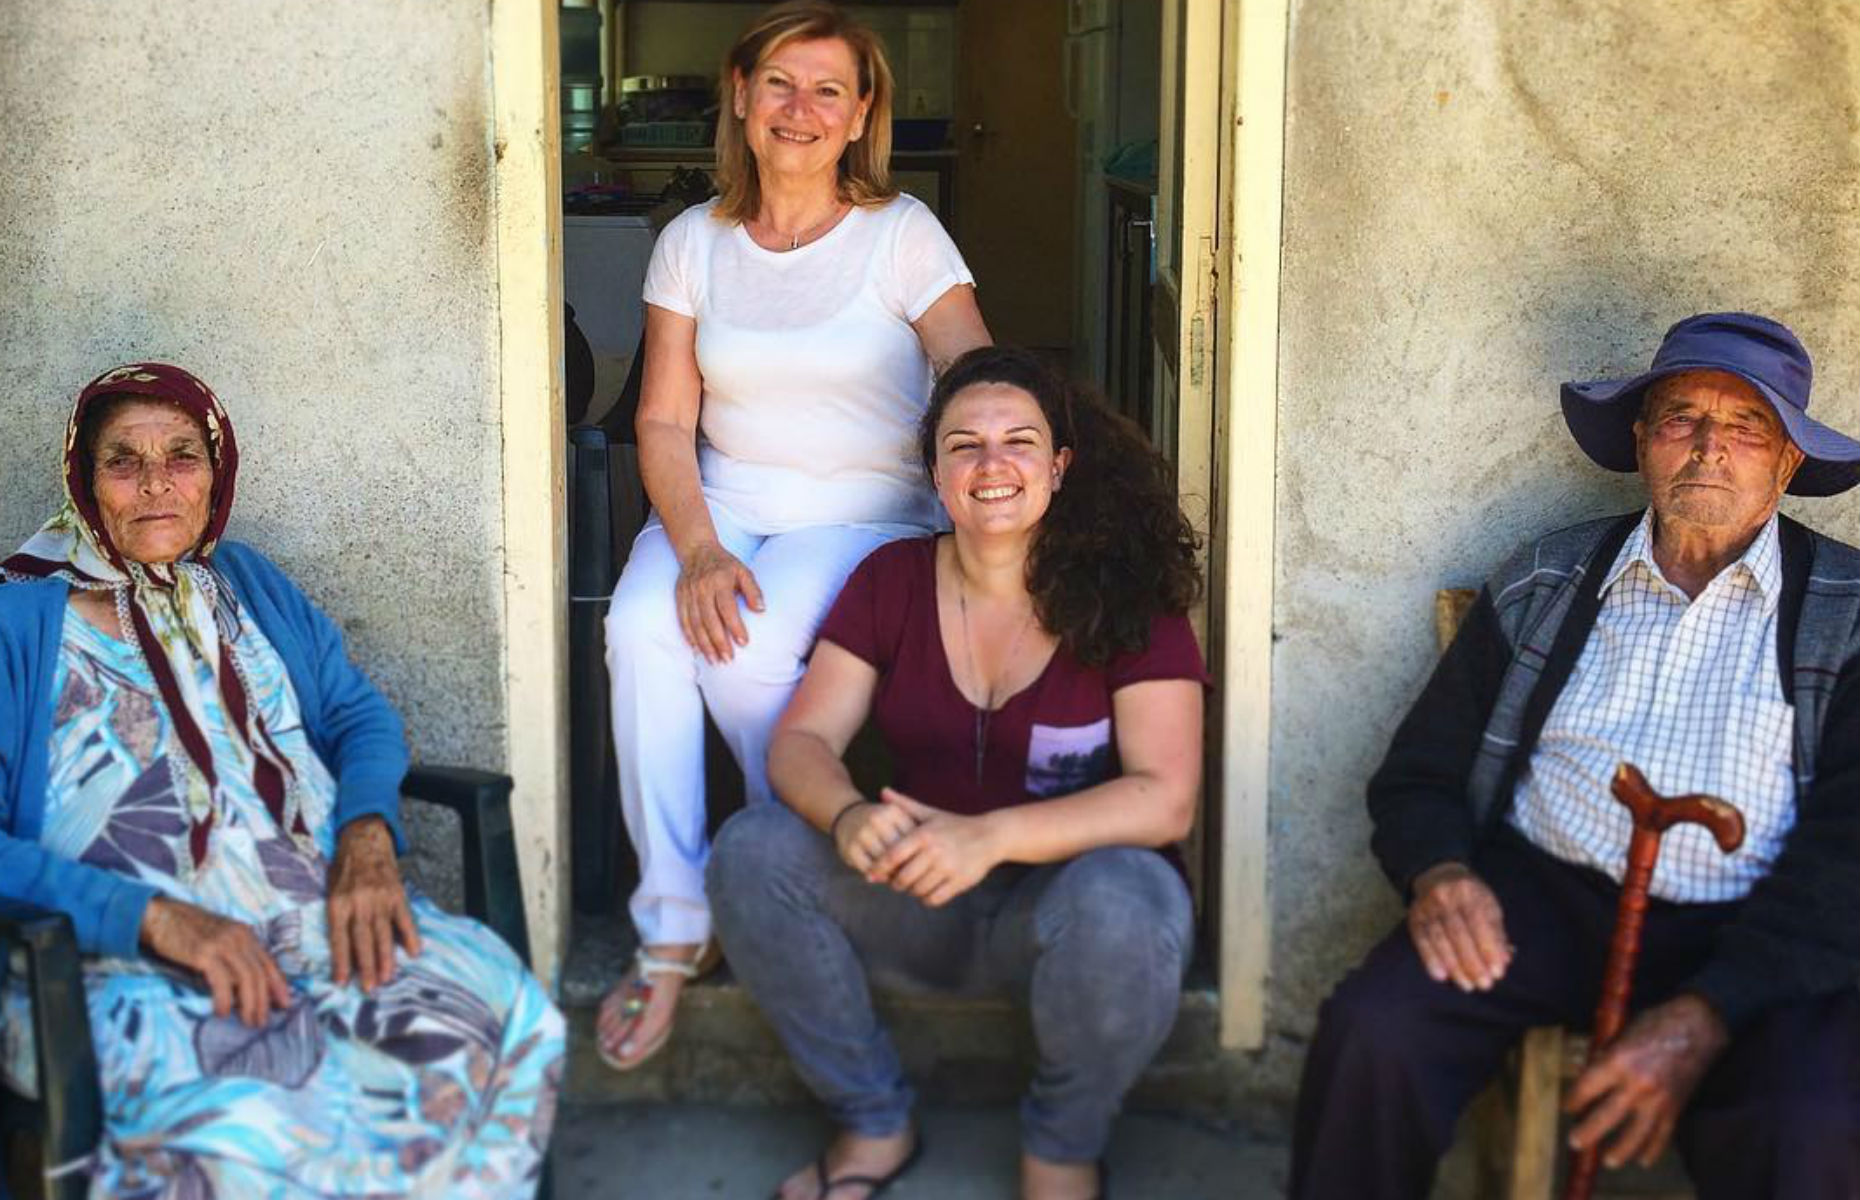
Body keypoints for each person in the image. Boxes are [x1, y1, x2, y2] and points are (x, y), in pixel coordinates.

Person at [1292, 312, 1860, 1199]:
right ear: (1641, 441)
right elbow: (1420, 774)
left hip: (1760, 931)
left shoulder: (1850, 610)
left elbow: (1850, 856)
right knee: (1377, 1033)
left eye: (1747, 427)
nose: (1709, 449)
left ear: (1788, 461)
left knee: (1808, 1122)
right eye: (1681, 419)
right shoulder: (1545, 578)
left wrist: (1709, 1014)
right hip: (1542, 901)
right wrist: (1441, 874)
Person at [0, 363, 563, 1197]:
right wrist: (154, 919)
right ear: (83, 481)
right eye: (124, 461)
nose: (156, 483)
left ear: (215, 476)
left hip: (314, 922)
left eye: (182, 456)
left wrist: (368, 837)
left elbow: (358, 717)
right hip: (117, 967)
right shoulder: (19, 619)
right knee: (261, 1123)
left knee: (512, 1018)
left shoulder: (248, 584)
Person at [706, 346, 1205, 1200]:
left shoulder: (1129, 600)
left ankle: (1061, 1153)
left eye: (1018, 441)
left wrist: (993, 837)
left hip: (1066, 920)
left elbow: (1167, 800)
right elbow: (802, 743)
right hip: (915, 901)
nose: (992, 463)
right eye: (964, 443)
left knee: (1135, 895)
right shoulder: (891, 580)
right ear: (935, 474)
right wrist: (848, 816)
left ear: (1058, 466)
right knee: (753, 849)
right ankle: (871, 1123)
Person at [598, 0, 991, 1072]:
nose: (801, 109)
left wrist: (999, 488)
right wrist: (697, 547)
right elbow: (666, 420)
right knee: (641, 632)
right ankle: (675, 925)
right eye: (780, 83)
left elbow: (977, 376)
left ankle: (794, 894)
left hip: (868, 505)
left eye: (829, 89)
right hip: (725, 500)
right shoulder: (694, 242)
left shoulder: (901, 234)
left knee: (753, 648)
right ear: (740, 95)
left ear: (863, 112)